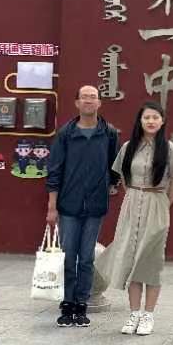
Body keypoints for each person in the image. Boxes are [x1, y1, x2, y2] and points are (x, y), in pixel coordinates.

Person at [96, 102, 173, 336]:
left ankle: (148, 315)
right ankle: (134, 313)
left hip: (157, 204)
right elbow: (123, 176)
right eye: (147, 118)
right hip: (132, 204)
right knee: (130, 259)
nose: (151, 121)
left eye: (155, 117)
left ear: (162, 121)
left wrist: (165, 202)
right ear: (140, 121)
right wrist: (134, 194)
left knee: (151, 261)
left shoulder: (169, 149)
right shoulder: (128, 147)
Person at [46, 85, 119, 328]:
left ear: (99, 103)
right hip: (69, 204)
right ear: (77, 103)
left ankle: (81, 305)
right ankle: (67, 304)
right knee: (69, 257)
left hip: (95, 205)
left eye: (93, 97)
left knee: (87, 258)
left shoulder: (108, 133)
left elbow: (114, 165)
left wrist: (111, 185)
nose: (89, 101)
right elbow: (54, 170)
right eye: (84, 97)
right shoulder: (66, 133)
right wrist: (52, 206)